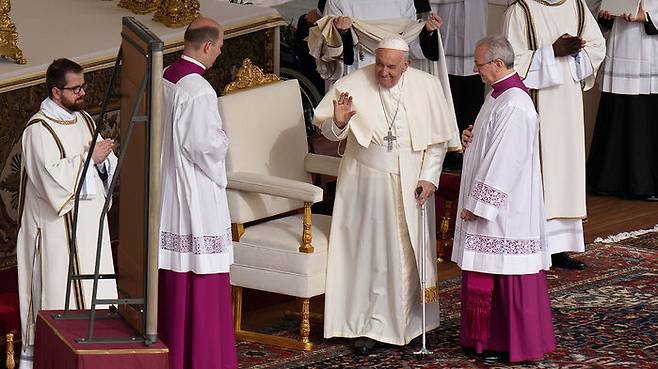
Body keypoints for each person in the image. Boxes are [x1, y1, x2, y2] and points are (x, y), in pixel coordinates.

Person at [313, 36, 460, 355]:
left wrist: (429, 177)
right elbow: (327, 127)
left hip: (412, 180)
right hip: (364, 181)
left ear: (406, 65)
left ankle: (410, 323)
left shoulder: (427, 86)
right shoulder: (353, 83)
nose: (383, 72)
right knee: (370, 255)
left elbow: (436, 141)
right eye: (379, 64)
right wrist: (338, 122)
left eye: (392, 67)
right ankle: (370, 326)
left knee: (407, 255)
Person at [453, 35, 555, 364]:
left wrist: (478, 204)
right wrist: (472, 135)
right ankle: (483, 338)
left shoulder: (515, 103)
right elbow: (489, 144)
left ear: (498, 64)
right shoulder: (498, 97)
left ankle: (509, 341)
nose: (475, 68)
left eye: (479, 63)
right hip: (496, 207)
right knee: (489, 271)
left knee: (506, 273)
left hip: (505, 212)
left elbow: (506, 161)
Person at [16, 58, 118, 369]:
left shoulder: (86, 120)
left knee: (94, 291)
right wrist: (90, 157)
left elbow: (105, 166)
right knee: (58, 296)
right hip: (55, 232)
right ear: (56, 92)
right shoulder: (38, 131)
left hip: (89, 231)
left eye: (83, 86)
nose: (82, 93)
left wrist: (102, 162)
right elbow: (52, 183)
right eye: (76, 89)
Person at [501, 0, 606, 270]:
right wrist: (551, 52)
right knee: (539, 170)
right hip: (535, 105)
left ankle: (559, 248)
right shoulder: (521, 10)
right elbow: (509, 61)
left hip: (568, 104)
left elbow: (598, 46)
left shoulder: (576, 5)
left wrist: (576, 53)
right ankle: (533, 244)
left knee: (564, 171)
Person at [158, 17, 237, 369]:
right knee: (201, 273)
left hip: (168, 188)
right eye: (219, 47)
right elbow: (204, 147)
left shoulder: (165, 77)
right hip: (193, 194)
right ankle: (204, 359)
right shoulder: (198, 89)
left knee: (176, 275)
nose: (219, 53)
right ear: (206, 46)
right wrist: (225, 140)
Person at [587, 0, 658, 200]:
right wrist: (605, 14)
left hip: (652, 49)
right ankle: (610, 180)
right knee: (619, 112)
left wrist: (647, 16)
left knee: (646, 115)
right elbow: (595, 6)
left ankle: (647, 183)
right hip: (621, 44)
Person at [420, 0, 488, 170]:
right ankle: (448, 151)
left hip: (473, 27)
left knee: (472, 96)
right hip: (446, 23)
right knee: (447, 96)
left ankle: (469, 151)